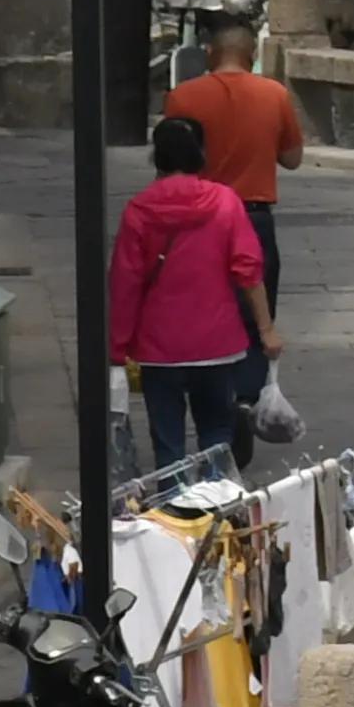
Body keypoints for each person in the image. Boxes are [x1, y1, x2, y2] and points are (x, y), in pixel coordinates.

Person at [109, 110, 280, 475]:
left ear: (157, 157)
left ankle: (172, 500)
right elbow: (249, 269)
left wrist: (117, 349)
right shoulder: (225, 202)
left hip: (158, 348)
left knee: (167, 443)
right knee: (216, 434)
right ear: (200, 154)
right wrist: (266, 330)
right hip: (217, 343)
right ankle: (214, 497)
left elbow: (125, 284)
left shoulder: (139, 210)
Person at [162, 12, 310, 302]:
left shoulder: (182, 97)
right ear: (252, 55)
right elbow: (292, 159)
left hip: (200, 216)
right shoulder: (275, 94)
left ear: (210, 53)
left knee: (202, 308)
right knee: (255, 312)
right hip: (253, 217)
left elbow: (169, 164)